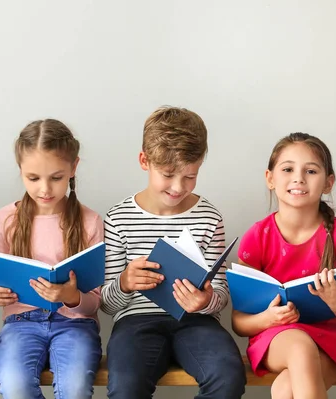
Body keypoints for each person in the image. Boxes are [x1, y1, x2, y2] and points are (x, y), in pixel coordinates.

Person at [101, 106, 246, 399]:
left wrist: (205, 301)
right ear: (145, 160)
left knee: (227, 375)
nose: (178, 187)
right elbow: (106, 303)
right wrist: (125, 282)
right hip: (135, 322)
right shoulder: (118, 218)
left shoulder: (209, 217)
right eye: (168, 174)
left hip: (197, 322)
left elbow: (220, 293)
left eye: (190, 176)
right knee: (125, 386)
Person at [232, 132, 336, 398]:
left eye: (311, 170)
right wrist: (268, 319)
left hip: (334, 342)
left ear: (328, 183)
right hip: (277, 339)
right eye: (287, 169)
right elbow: (239, 322)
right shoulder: (258, 237)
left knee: (285, 389)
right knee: (300, 347)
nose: (298, 178)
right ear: (270, 178)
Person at [0, 119, 103, 399]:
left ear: (74, 168)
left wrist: (72, 296)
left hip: (75, 324)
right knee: (15, 386)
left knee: (74, 389)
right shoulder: (4, 220)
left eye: (57, 177)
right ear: (21, 171)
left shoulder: (90, 221)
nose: (45, 189)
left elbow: (96, 300)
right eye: (33, 178)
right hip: (20, 322)